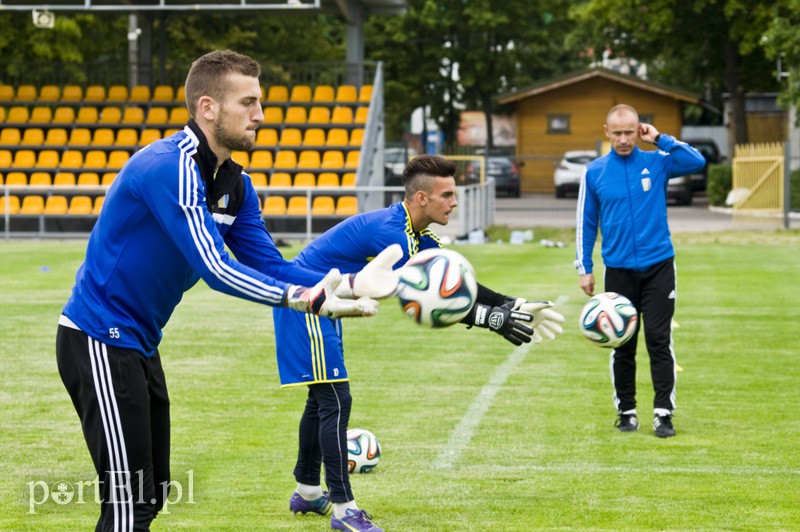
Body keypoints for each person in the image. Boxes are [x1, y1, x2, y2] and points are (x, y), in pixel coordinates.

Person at [55, 50, 399, 531]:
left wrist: (351, 282)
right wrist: (303, 299)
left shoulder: (236, 184)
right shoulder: (166, 166)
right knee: (128, 502)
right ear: (208, 107)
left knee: (149, 497)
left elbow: (272, 266)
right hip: (97, 340)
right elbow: (217, 268)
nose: (260, 115)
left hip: (137, 344)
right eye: (249, 102)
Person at [274, 154, 565, 531]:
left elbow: (459, 286)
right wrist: (491, 319)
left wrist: (513, 304)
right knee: (334, 399)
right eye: (447, 194)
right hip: (308, 301)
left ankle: (308, 492)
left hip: (325, 302)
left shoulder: (418, 234)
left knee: (321, 401)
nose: (455, 202)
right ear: (422, 199)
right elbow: (427, 297)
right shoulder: (392, 232)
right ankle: (345, 512)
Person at [575, 104, 706, 438]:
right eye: (617, 133)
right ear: (606, 132)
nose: (623, 140)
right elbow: (586, 224)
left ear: (639, 130)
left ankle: (663, 413)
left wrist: (660, 139)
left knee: (659, 340)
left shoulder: (656, 161)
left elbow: (697, 161)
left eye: (629, 132)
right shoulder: (595, 172)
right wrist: (585, 268)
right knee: (623, 344)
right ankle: (626, 411)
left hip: (659, 266)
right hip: (618, 271)